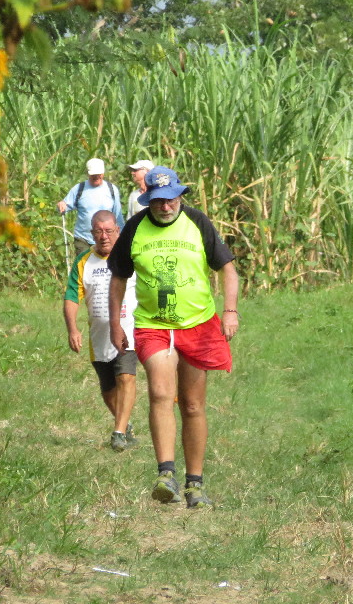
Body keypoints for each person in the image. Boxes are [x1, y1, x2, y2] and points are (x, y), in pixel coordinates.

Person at [107, 166, 240, 508]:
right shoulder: (135, 228)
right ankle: (166, 474)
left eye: (170, 200)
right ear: (148, 200)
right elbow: (118, 278)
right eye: (158, 201)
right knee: (161, 392)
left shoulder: (197, 222)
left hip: (197, 324)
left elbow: (227, 269)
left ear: (180, 196)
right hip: (154, 325)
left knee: (193, 404)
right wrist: (115, 324)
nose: (165, 207)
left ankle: (195, 484)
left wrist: (229, 311)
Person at [63, 210, 139, 452]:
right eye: (98, 231)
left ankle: (118, 433)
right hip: (99, 337)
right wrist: (72, 328)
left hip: (129, 331)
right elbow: (71, 297)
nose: (104, 236)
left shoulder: (131, 255)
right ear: (92, 233)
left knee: (126, 377)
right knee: (108, 390)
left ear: (118, 230)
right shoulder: (84, 261)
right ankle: (124, 425)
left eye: (109, 231)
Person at [58, 158, 126, 255]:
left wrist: (121, 236)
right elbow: (65, 206)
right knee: (84, 263)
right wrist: (62, 205)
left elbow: (117, 215)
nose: (96, 177)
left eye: (98, 174)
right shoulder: (79, 189)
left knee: (106, 264)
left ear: (103, 173)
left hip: (106, 239)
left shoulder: (111, 189)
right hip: (83, 239)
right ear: (88, 174)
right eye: (93, 175)